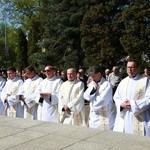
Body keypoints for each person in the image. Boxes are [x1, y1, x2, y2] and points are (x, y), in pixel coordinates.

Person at [113, 59, 150, 136]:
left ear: (137, 68)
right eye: (128, 67)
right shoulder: (123, 82)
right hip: (124, 116)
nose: (129, 69)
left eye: (132, 67)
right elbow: (116, 97)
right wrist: (121, 104)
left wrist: (133, 104)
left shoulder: (145, 81)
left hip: (139, 116)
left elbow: (148, 98)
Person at [83, 66, 115, 130]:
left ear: (99, 74)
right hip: (94, 118)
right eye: (91, 76)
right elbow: (85, 96)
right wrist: (94, 89)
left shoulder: (107, 85)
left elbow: (101, 102)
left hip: (105, 117)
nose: (92, 78)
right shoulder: (93, 83)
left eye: (93, 76)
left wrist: (91, 100)